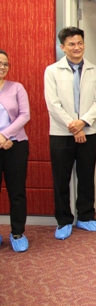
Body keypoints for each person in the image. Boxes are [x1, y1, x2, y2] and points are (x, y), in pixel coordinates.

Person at [44, 27, 96, 240]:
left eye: (79, 43)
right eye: (71, 44)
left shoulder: (95, 71)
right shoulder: (52, 71)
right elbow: (53, 104)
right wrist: (74, 126)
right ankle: (63, 220)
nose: (76, 47)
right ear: (63, 47)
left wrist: (83, 123)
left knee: (86, 176)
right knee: (61, 179)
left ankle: (86, 217)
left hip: (88, 131)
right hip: (61, 133)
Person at [0, 50, 31, 252]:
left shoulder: (16, 87)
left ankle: (17, 232)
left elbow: (25, 115)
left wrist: (5, 136)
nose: (2, 67)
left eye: (5, 64)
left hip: (16, 145)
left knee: (17, 192)